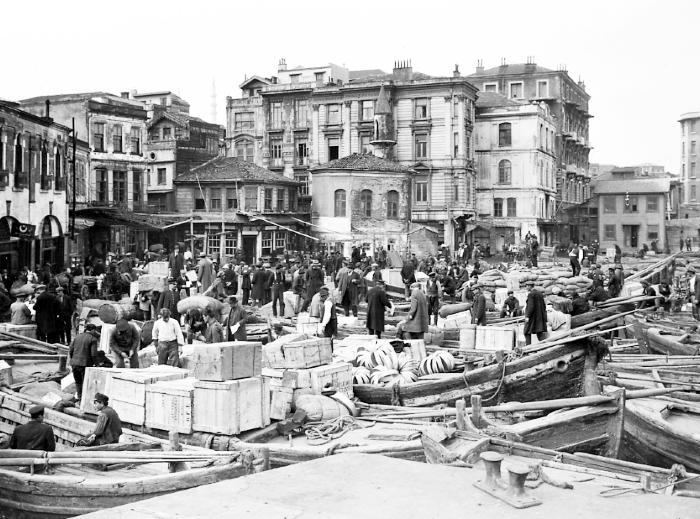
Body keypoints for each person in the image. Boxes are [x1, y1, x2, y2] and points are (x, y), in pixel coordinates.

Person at [70, 323, 100, 401]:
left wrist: (73, 359)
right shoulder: (93, 339)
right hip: (85, 364)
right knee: (85, 383)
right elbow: (93, 354)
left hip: (74, 363)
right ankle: (84, 400)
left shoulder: (77, 336)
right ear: (93, 330)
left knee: (78, 382)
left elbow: (71, 350)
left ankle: (80, 398)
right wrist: (97, 364)